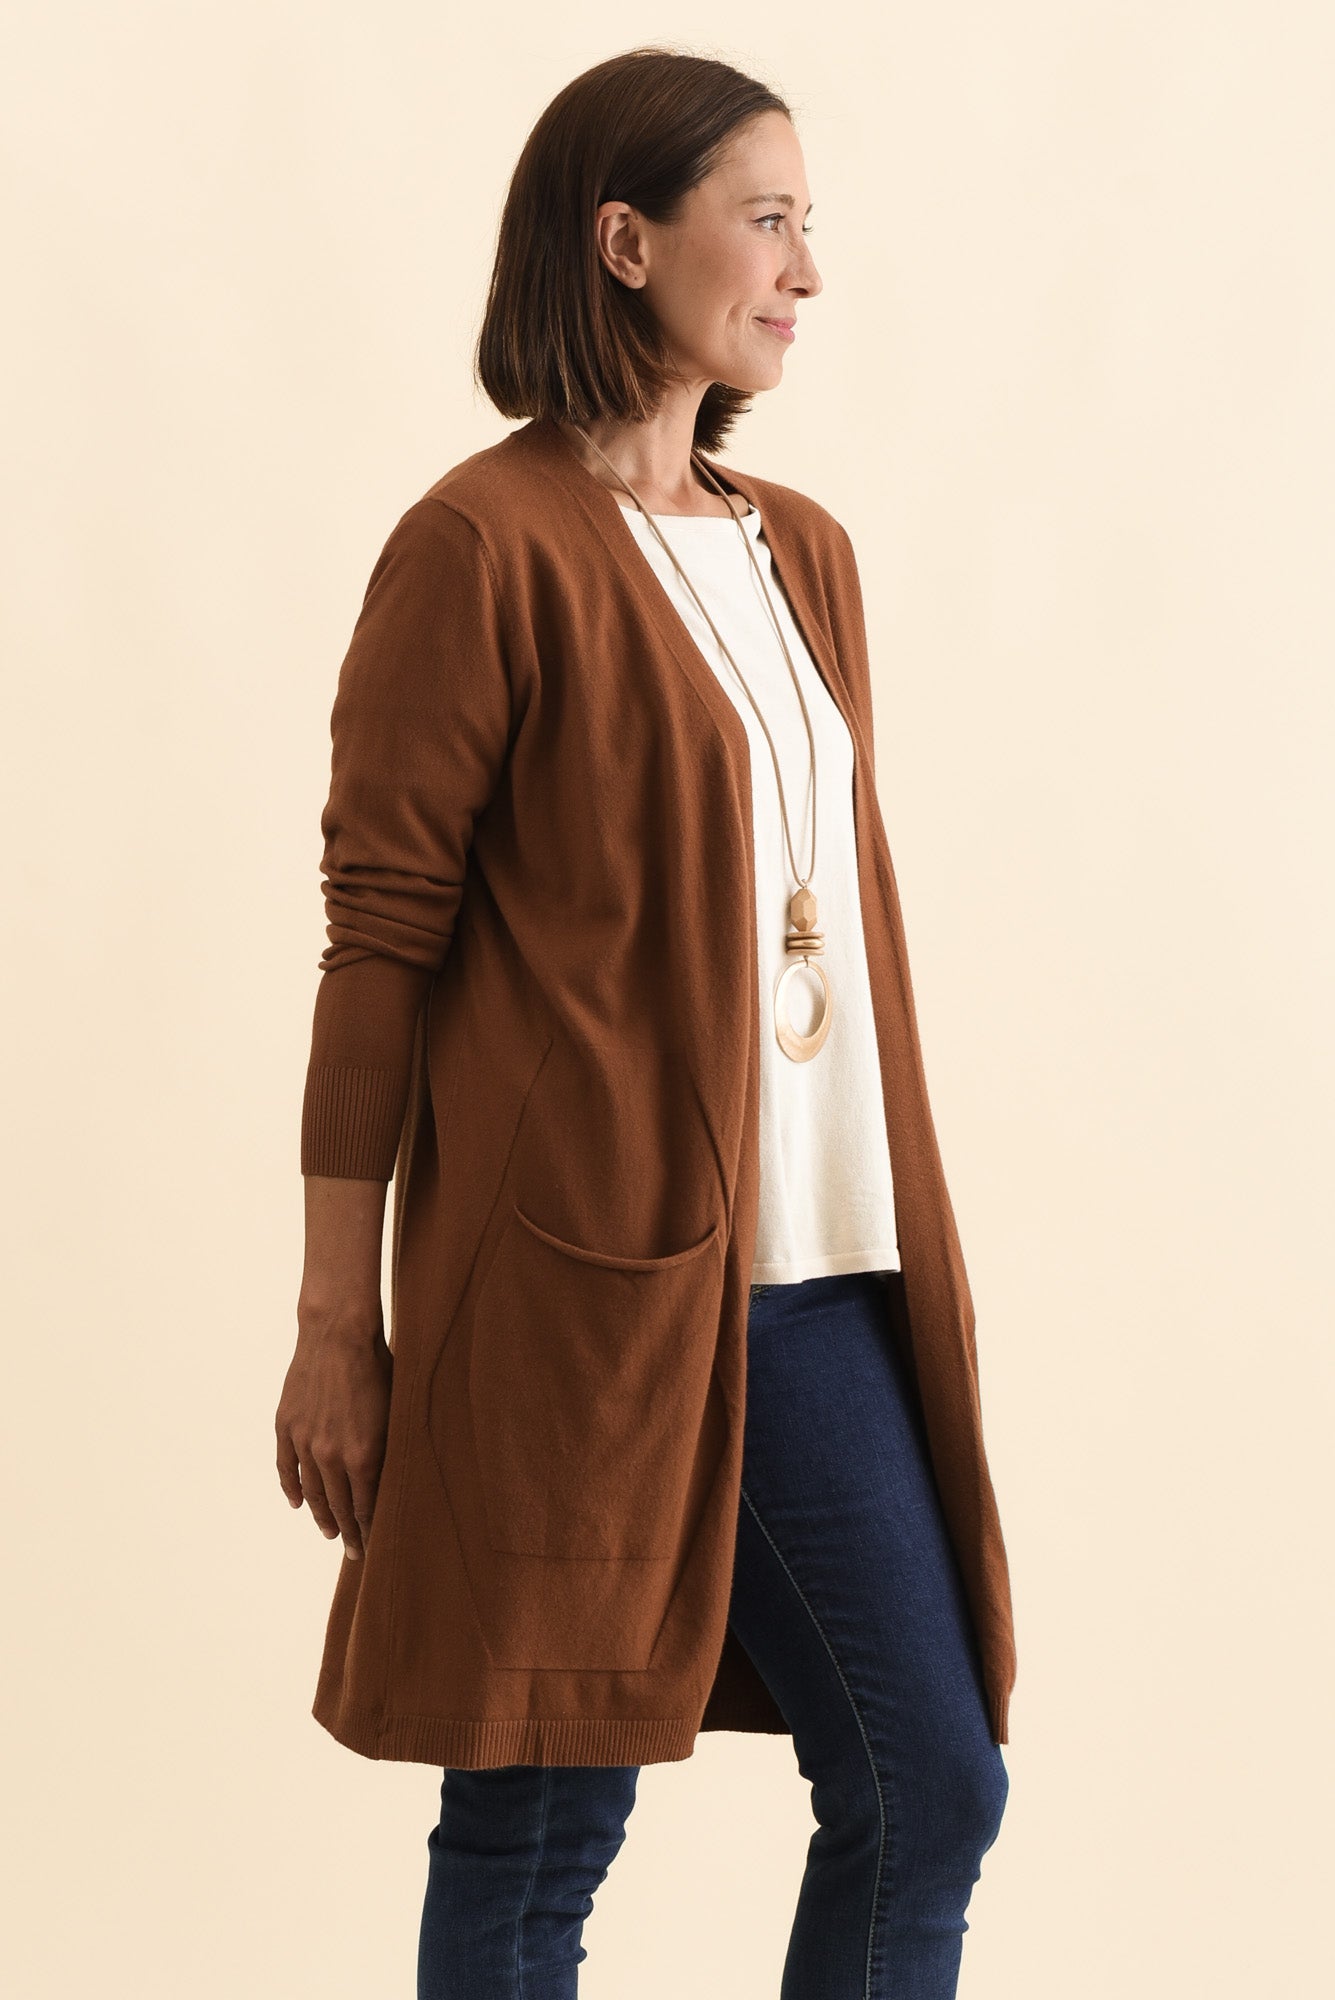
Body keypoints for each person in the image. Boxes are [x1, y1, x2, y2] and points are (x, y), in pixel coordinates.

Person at [275, 46, 1016, 2000]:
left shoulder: (800, 551)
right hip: (575, 1293)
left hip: (817, 1280)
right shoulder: (479, 547)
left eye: (806, 225)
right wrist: (338, 1320)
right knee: (538, 1824)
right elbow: (379, 947)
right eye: (765, 220)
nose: (804, 270)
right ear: (624, 243)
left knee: (928, 1786)